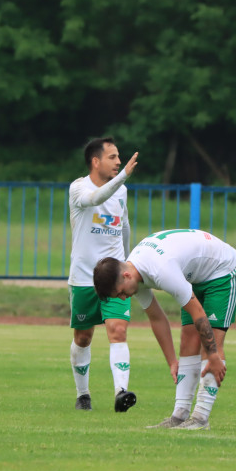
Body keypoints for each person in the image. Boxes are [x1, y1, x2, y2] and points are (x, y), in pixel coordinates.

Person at [93, 229, 236, 431]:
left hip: (222, 270)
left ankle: (200, 418)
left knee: (210, 343)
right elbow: (157, 318)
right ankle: (179, 416)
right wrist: (172, 361)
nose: (123, 298)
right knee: (188, 339)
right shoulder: (135, 273)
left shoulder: (160, 270)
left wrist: (214, 354)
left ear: (126, 276)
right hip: (198, 275)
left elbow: (198, 313)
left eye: (120, 293)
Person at [67, 137, 139, 412]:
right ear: (95, 161)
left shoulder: (122, 190)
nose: (119, 162)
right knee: (83, 337)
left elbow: (124, 225)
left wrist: (129, 261)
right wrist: (122, 177)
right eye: (112, 157)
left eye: (119, 157)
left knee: (117, 330)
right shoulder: (78, 188)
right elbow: (96, 198)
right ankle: (83, 394)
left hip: (116, 276)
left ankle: (121, 392)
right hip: (84, 277)